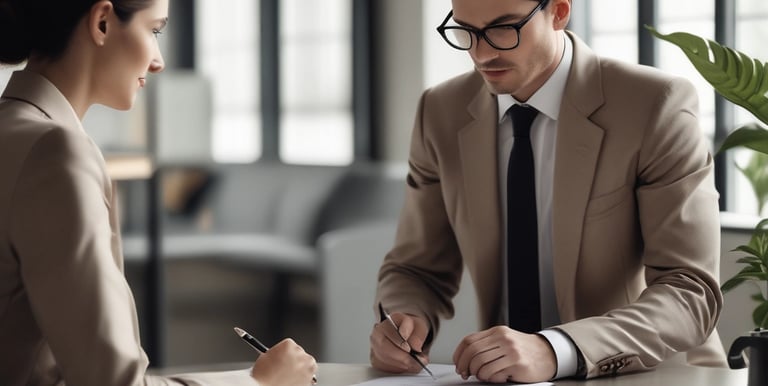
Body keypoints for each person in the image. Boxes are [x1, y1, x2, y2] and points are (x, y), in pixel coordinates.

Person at [369, 0, 727, 383]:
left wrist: (557, 348)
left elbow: (690, 291)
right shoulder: (440, 111)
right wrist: (403, 318)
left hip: (654, 374)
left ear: (558, 11)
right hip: (507, 378)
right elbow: (416, 267)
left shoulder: (654, 105)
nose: (481, 53)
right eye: (466, 31)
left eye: (503, 28)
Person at [0, 1, 317, 385]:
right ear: (102, 22)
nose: (158, 61)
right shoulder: (57, 153)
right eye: (154, 31)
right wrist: (258, 382)